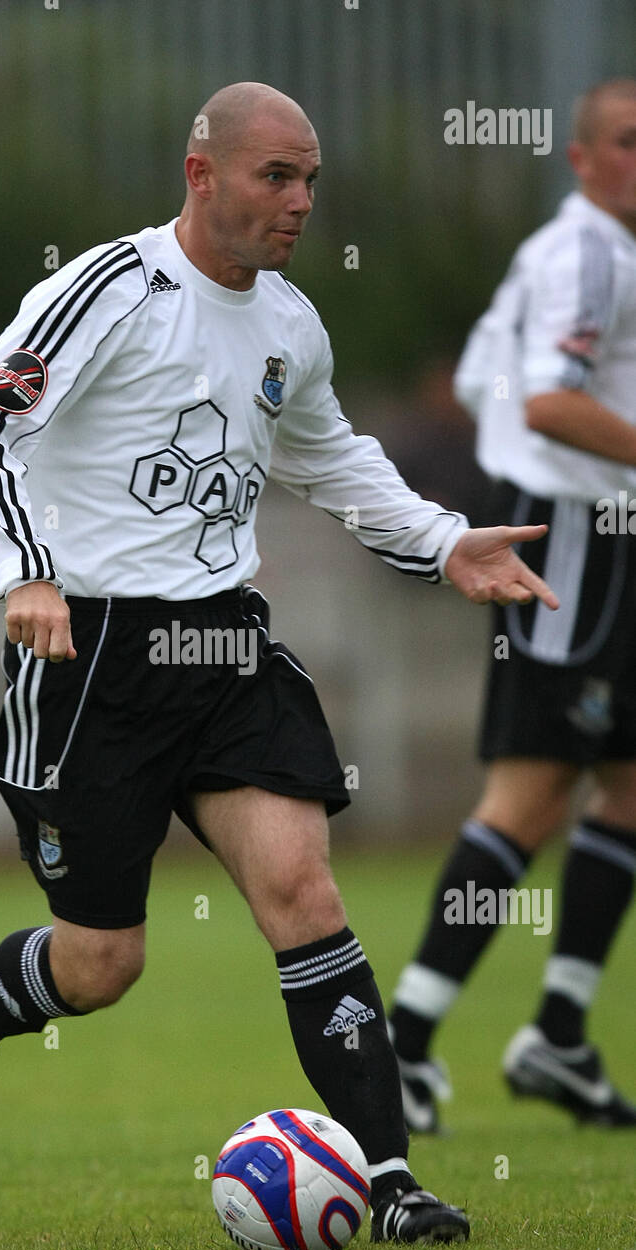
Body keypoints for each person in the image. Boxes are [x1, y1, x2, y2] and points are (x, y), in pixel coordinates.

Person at [0, 82, 556, 1244]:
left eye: (311, 180)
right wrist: (24, 570)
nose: (300, 201)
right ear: (200, 173)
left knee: (304, 893)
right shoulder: (107, 291)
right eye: (277, 176)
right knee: (104, 961)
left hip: (221, 644)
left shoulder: (290, 325)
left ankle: (390, 1178)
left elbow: (329, 456)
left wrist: (439, 538)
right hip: (90, 655)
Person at [389, 78, 636, 1133]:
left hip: (609, 535)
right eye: (627, 141)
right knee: (530, 792)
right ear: (579, 159)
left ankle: (558, 1034)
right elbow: (547, 401)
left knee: (626, 783)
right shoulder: (582, 251)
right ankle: (400, 1043)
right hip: (568, 534)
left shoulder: (610, 249)